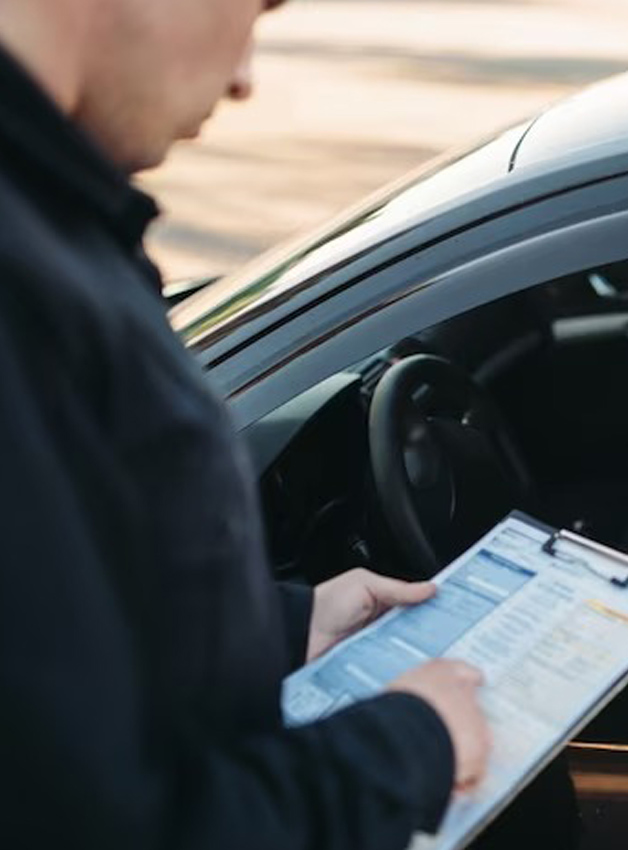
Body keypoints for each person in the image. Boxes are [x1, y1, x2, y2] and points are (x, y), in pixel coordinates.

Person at [0, 1, 490, 847]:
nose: (243, 77)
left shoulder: (54, 228)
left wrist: (290, 626)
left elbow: (85, 613)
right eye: (253, 6)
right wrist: (411, 747)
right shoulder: (22, 286)